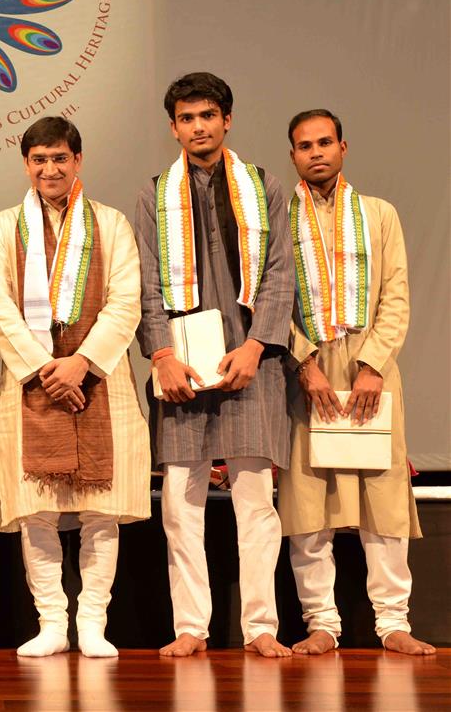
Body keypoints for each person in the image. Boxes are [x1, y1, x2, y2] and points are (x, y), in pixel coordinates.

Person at [134, 72, 294, 658]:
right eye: (186, 118)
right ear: (173, 126)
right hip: (182, 366)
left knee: (256, 499)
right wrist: (162, 355)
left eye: (208, 116)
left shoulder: (264, 187)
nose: (198, 126)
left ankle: (261, 628)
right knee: (180, 501)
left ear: (227, 120)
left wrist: (256, 347)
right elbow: (147, 284)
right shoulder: (155, 196)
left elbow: (280, 274)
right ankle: (190, 628)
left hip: (251, 364)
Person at [0, 117, 149, 658]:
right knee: (38, 509)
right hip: (32, 384)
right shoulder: (4, 226)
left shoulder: (113, 223)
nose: (49, 169)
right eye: (38, 159)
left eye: (59, 158)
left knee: (102, 508)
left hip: (102, 380)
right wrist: (48, 371)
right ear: (26, 164)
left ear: (78, 160)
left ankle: (93, 622)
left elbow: (126, 302)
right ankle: (52, 621)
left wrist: (81, 364)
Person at [276, 110, 433, 656]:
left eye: (324, 142)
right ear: (292, 155)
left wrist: (372, 364)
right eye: (303, 145)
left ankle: (393, 623)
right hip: (308, 373)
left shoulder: (378, 214)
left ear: (344, 146)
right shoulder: (280, 217)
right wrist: (303, 363)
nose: (315, 152)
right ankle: (322, 622)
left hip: (374, 367)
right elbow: (274, 300)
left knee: (383, 498)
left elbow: (396, 293)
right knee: (308, 499)